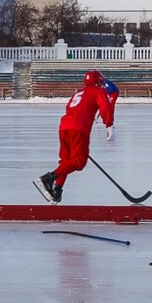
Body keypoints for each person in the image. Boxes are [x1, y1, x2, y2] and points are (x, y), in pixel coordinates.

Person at [35, 69, 114, 204]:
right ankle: (48, 178)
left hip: (64, 127)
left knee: (66, 161)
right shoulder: (98, 91)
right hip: (78, 129)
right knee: (79, 161)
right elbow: (105, 107)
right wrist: (109, 125)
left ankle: (56, 191)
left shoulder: (78, 93)